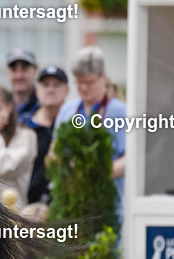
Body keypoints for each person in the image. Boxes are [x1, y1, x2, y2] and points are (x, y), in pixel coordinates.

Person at [54, 46, 127, 221]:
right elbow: (54, 152)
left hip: (108, 205)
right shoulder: (67, 111)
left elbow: (129, 160)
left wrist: (99, 172)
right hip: (72, 203)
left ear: (103, 78)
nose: (83, 88)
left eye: (89, 82)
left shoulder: (120, 112)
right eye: (79, 82)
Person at [24, 66, 69, 204]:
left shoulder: (75, 127)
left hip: (64, 206)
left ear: (67, 90)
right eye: (46, 85)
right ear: (37, 91)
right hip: (28, 209)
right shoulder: (25, 126)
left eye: (56, 85)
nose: (51, 90)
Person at [6, 48, 39, 124]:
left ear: (35, 72)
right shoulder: (1, 105)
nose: (19, 76)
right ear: (7, 73)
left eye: (24, 69)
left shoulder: (44, 105)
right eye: (14, 70)